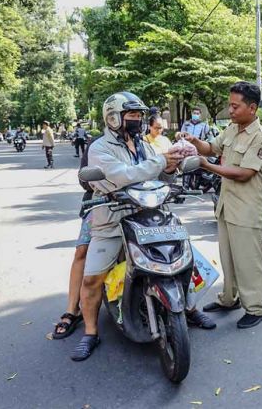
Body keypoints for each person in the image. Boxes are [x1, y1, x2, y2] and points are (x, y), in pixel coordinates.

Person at [71, 92, 185, 361]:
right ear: (113, 118)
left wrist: (171, 166)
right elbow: (123, 176)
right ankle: (90, 332)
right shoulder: (100, 148)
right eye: (132, 115)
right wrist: (160, 161)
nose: (137, 120)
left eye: (139, 116)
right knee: (91, 278)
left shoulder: (144, 146)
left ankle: (187, 308)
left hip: (145, 214)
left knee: (180, 258)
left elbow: (157, 173)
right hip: (111, 220)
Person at [182, 82, 262, 329]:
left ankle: (255, 307)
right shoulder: (232, 128)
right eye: (229, 104)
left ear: (252, 108)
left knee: (249, 260)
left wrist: (205, 165)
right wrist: (194, 142)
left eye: (235, 106)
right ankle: (229, 299)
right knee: (229, 257)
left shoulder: (260, 138)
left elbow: (244, 173)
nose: (230, 110)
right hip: (226, 205)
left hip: (247, 207)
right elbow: (211, 148)